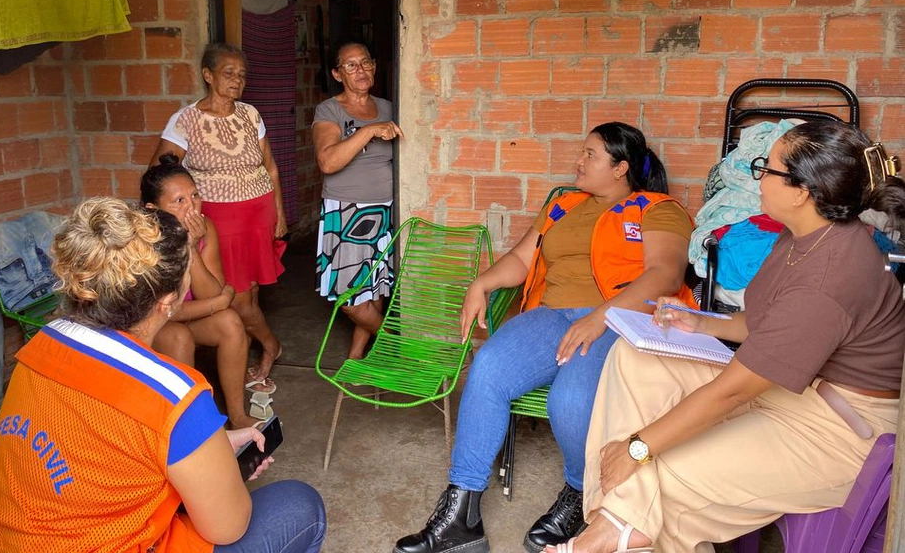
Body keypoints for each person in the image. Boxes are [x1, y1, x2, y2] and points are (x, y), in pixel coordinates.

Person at [549, 121, 905, 553]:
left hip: (837, 430)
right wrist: (699, 323)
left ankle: (611, 530)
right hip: (789, 390)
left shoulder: (831, 276)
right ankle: (621, 523)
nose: (758, 176)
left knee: (661, 467)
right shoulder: (801, 236)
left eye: (767, 168)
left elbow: (733, 391)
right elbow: (760, 322)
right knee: (633, 357)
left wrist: (638, 447)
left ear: (802, 191)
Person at [0, 198, 326, 553]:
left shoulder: (44, 343)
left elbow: (99, 443)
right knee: (300, 506)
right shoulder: (176, 394)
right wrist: (213, 461)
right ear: (169, 300)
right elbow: (227, 528)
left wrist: (205, 447)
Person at [395, 122, 695, 553]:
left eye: (591, 154)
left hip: (621, 320)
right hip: (552, 314)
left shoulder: (659, 209)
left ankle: (578, 492)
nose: (579, 161)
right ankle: (460, 518)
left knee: (569, 399)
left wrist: (599, 317)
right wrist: (480, 284)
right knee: (488, 370)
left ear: (620, 167)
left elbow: (665, 275)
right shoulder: (563, 205)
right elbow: (520, 260)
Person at [151, 43, 284, 386]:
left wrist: (279, 214)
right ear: (208, 76)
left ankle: (250, 350)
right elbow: (160, 175)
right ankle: (270, 346)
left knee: (250, 292)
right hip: (219, 222)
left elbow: (270, 168)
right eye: (228, 73)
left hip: (258, 214)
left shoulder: (251, 115)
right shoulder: (186, 120)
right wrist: (177, 216)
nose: (236, 80)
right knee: (236, 297)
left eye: (241, 75)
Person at [142, 153, 270, 428]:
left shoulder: (204, 228)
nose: (192, 207)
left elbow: (212, 294)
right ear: (153, 209)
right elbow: (164, 311)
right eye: (179, 201)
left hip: (187, 312)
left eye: (195, 196)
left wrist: (191, 247)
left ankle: (236, 417)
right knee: (178, 337)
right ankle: (197, 426)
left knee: (231, 323)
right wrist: (220, 301)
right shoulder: (144, 240)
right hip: (149, 325)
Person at [313, 40, 402, 359]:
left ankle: (356, 357)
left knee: (375, 289)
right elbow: (327, 162)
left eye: (365, 62)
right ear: (337, 73)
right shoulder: (329, 110)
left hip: (385, 210)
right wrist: (368, 131)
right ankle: (394, 341)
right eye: (350, 65)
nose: (360, 70)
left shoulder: (391, 106)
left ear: (375, 66)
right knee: (348, 298)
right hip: (346, 211)